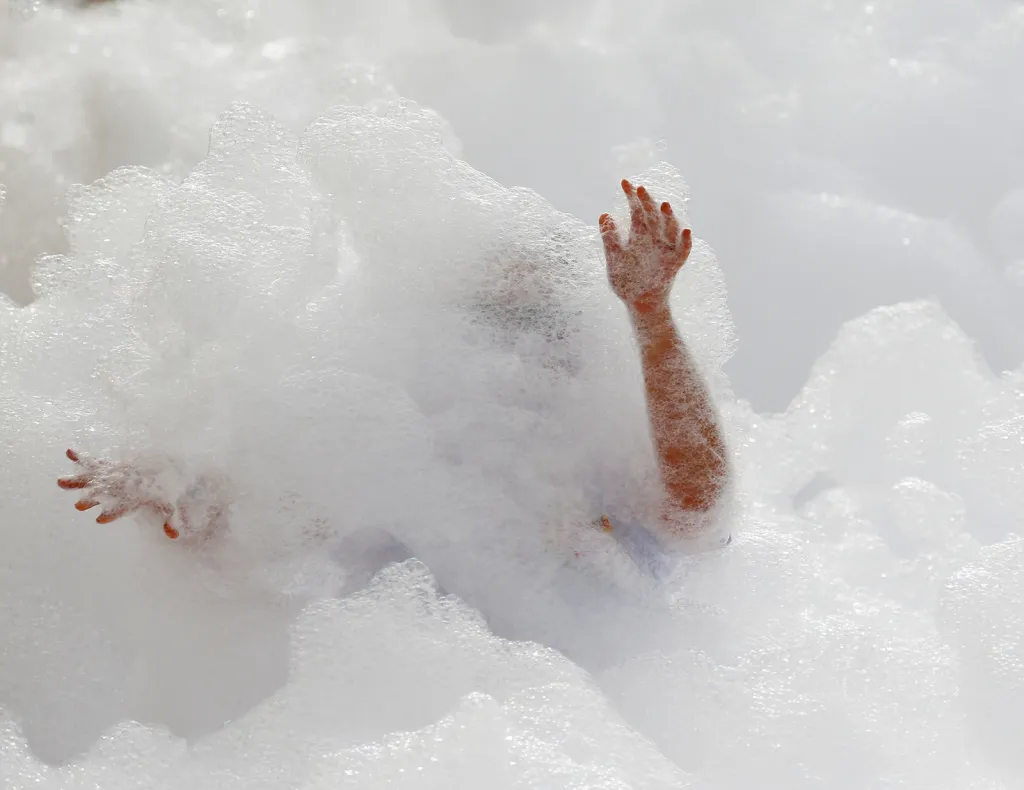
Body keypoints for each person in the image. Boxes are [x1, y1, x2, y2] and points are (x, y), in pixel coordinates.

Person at [58, 180, 731, 575]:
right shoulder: (406, 453)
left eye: (538, 323)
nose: (512, 353)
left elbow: (696, 507)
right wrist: (176, 494)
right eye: (485, 323)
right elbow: (278, 533)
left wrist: (651, 318)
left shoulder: (592, 474)